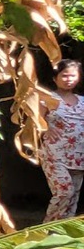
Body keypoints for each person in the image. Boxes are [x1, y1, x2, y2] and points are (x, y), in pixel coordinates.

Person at [48, 58, 84, 221]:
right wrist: (45, 127)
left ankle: (63, 236)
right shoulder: (47, 99)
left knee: (73, 196)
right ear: (55, 78)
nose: (69, 79)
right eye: (64, 75)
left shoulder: (83, 101)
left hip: (79, 154)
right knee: (64, 191)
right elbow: (29, 121)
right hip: (54, 154)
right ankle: (47, 229)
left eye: (72, 76)